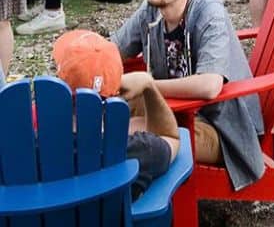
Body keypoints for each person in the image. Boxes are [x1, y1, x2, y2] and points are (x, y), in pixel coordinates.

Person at [109, 0, 266, 190]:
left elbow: (210, 86)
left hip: (220, 128)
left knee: (118, 132)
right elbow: (113, 49)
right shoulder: (152, 7)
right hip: (176, 111)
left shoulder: (207, 11)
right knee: (103, 108)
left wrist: (148, 85)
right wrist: (84, 56)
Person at [52, 29, 181, 199]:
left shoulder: (26, 148)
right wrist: (149, 86)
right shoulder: (139, 151)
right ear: (116, 92)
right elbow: (171, 137)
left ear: (57, 82)